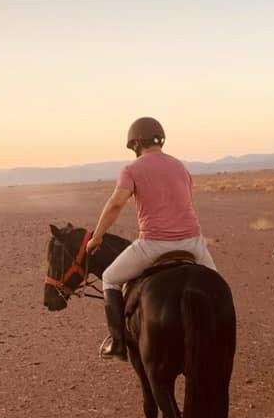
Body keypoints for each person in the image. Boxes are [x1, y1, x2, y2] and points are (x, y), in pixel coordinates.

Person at [86, 117, 217, 360]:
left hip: (153, 245)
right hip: (194, 244)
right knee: (218, 290)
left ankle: (117, 342)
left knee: (110, 278)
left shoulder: (132, 169)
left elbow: (116, 204)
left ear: (136, 143)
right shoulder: (181, 166)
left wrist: (97, 238)